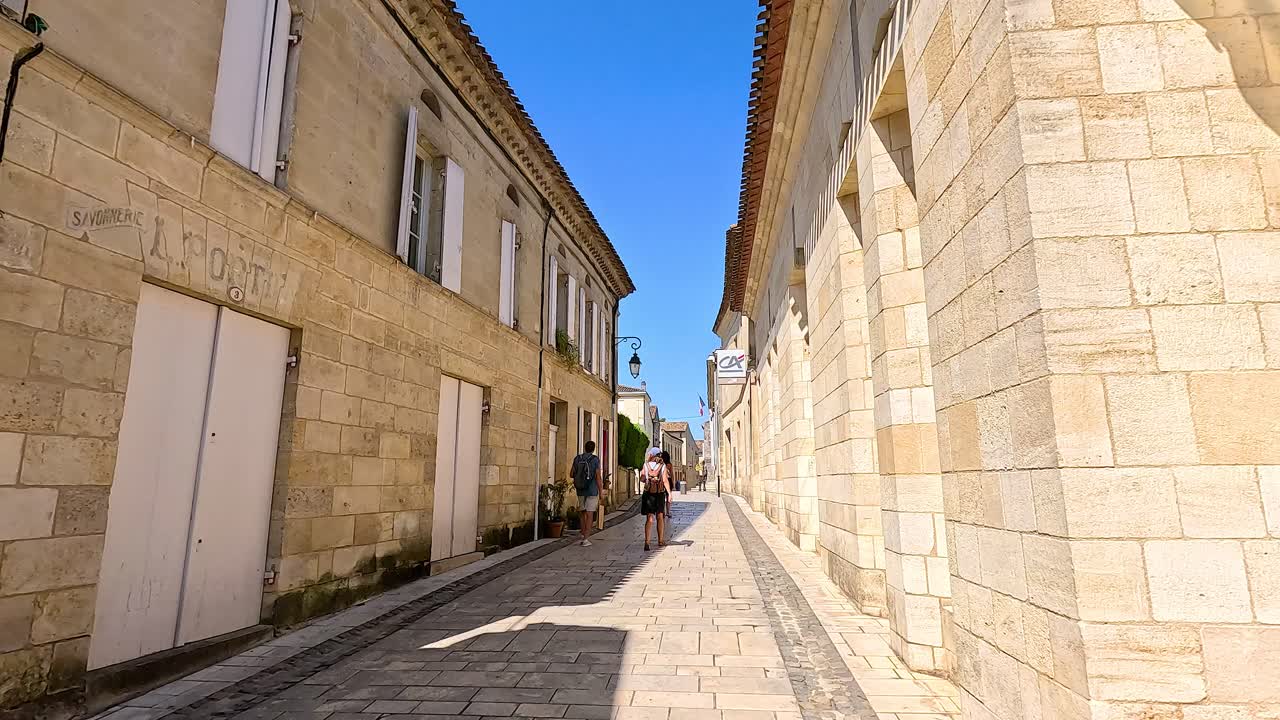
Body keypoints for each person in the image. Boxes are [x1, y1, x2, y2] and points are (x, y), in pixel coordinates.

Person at [570, 440, 603, 547]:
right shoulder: (595, 460)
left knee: (582, 513)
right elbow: (598, 477)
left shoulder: (577, 458)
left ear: (585, 447)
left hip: (580, 489)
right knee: (590, 514)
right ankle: (586, 539)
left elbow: (571, 474)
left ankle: (583, 533)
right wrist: (601, 491)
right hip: (592, 490)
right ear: (593, 449)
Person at [640, 448, 669, 551]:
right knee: (660, 516)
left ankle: (647, 542)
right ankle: (660, 540)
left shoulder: (646, 465)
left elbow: (642, 478)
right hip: (659, 493)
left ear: (651, 455)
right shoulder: (663, 466)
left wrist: (647, 478)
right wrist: (669, 493)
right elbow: (665, 480)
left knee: (649, 518)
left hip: (648, 493)